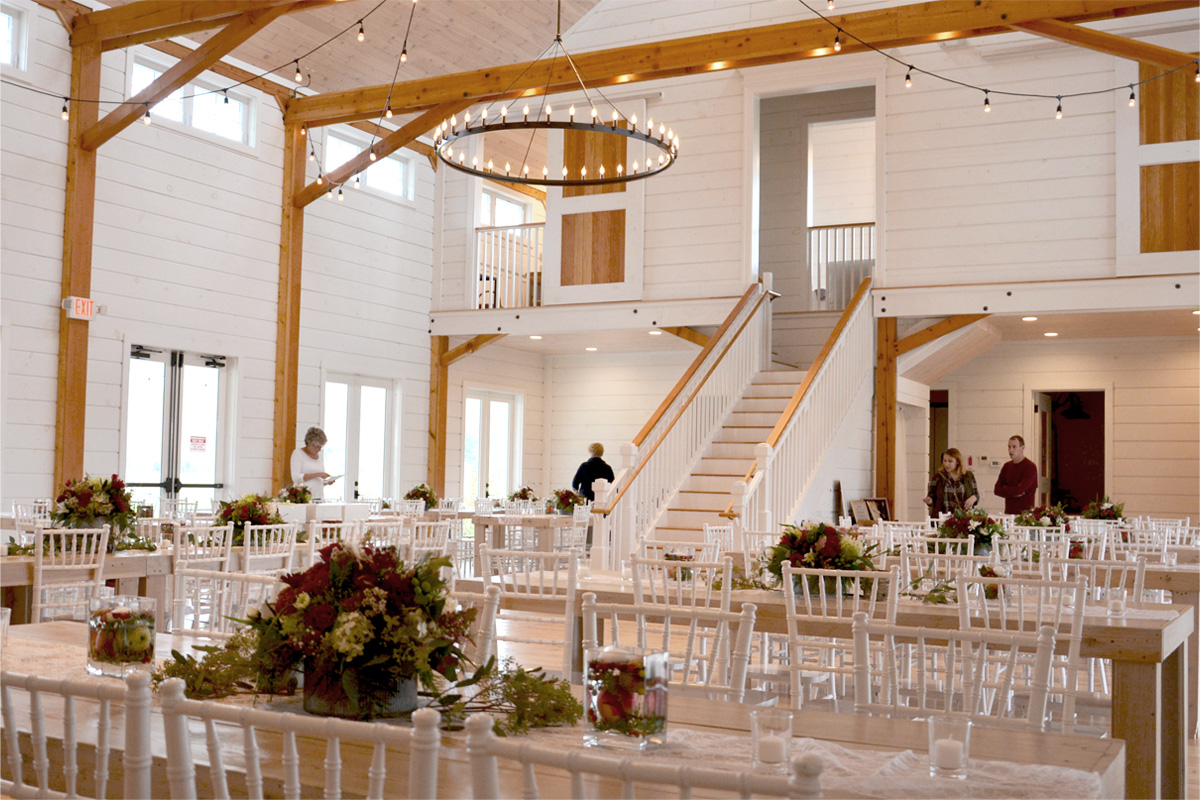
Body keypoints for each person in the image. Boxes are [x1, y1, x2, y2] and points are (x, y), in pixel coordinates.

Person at [923, 447, 978, 517]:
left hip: (964, 519)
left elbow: (976, 494)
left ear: (958, 461)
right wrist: (929, 500)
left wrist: (974, 498)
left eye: (950, 461)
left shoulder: (968, 476)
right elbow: (932, 496)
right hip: (943, 519)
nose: (946, 464)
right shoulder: (937, 477)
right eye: (944, 460)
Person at [290, 426, 337, 501]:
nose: (319, 450)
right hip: (303, 497)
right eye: (317, 447)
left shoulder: (320, 456)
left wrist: (326, 482)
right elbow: (296, 478)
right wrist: (318, 474)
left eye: (321, 447)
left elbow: (317, 480)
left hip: (318, 497)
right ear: (309, 443)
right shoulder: (298, 454)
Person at [994, 434, 1038, 513]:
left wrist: (1006, 489)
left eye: (1014, 447)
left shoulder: (1030, 467)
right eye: (1009, 447)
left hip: (1025, 515)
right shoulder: (1007, 466)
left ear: (1022, 448)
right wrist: (1015, 491)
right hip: (1009, 513)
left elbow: (1020, 490)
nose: (1011, 450)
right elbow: (997, 490)